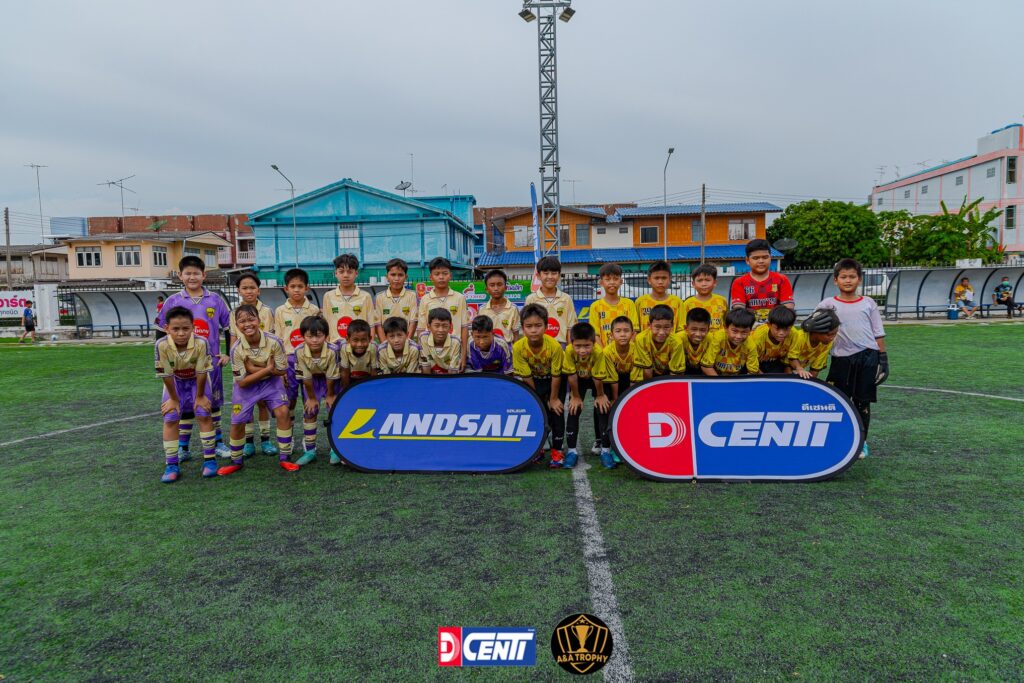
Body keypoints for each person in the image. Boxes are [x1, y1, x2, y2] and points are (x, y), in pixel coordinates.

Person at [156, 256, 232, 460]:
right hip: (180, 364)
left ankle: (218, 442)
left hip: (209, 363)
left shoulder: (215, 299)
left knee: (212, 403)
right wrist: (164, 356)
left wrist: (227, 353)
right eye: (187, 273)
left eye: (196, 273)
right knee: (185, 404)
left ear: (203, 275)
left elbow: (228, 327)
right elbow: (160, 330)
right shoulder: (173, 300)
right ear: (180, 276)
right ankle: (183, 447)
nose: (192, 277)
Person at [816, 258, 888, 458]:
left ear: (859, 279)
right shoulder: (827, 304)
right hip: (841, 359)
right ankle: (838, 440)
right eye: (843, 277)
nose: (848, 280)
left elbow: (878, 332)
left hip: (868, 357)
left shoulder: (868, 303)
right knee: (838, 400)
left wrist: (883, 359)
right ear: (835, 280)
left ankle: (861, 442)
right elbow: (816, 330)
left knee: (862, 402)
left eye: (852, 277)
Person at [218, 305, 298, 476]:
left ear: (259, 320)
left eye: (251, 319)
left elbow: (282, 371)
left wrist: (253, 368)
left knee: (283, 412)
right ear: (236, 325)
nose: (247, 324)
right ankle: (236, 461)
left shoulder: (274, 341)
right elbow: (242, 383)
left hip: (271, 383)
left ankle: (285, 457)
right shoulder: (236, 349)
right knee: (237, 421)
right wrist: (267, 369)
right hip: (247, 386)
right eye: (242, 321)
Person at [154, 306, 219, 483]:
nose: (181, 333)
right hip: (175, 382)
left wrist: (200, 396)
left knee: (203, 413)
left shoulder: (201, 342)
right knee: (170, 416)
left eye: (185, 328)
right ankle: (171, 465)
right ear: (167, 328)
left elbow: (202, 372)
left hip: (197, 381)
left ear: (193, 328)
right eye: (175, 329)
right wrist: (174, 399)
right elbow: (166, 375)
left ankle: (210, 460)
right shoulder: (161, 345)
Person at [513, 303, 566, 467]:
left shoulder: (554, 346)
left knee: (556, 413)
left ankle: (557, 451)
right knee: (537, 412)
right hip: (534, 382)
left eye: (538, 325)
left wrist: (553, 398)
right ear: (523, 328)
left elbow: (557, 375)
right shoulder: (518, 347)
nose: (534, 330)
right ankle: (539, 449)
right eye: (529, 326)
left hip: (555, 382)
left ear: (546, 326)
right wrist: (538, 399)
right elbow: (526, 376)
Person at [273, 268, 321, 446]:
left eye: (300, 286)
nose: (296, 290)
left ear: (307, 288)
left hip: (310, 361)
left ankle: (309, 442)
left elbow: (319, 336)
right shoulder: (280, 311)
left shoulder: (314, 310)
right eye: (292, 286)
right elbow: (278, 340)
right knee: (290, 401)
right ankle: (290, 438)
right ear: (286, 288)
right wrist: (281, 368)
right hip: (289, 360)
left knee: (310, 399)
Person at [230, 271, 276, 456]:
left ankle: (265, 440)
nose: (248, 291)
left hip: (264, 365)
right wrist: (238, 362)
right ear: (238, 291)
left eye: (252, 287)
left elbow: (271, 338)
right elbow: (233, 339)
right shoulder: (233, 312)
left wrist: (266, 366)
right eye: (244, 288)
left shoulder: (267, 311)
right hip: (243, 363)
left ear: (259, 290)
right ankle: (249, 442)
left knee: (263, 403)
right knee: (246, 403)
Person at [563, 322, 615, 469]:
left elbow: (598, 378)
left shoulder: (599, 352)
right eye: (578, 346)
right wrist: (576, 396)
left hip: (596, 380)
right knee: (574, 409)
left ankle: (605, 450)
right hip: (578, 380)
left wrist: (600, 395)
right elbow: (571, 376)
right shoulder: (568, 351)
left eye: (587, 346)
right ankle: (571, 451)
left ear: (593, 343)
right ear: (572, 343)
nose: (582, 350)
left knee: (602, 409)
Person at [294, 315, 341, 466]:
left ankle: (335, 450)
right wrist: (312, 397)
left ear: (326, 336)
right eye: (310, 336)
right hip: (312, 382)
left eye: (319, 336)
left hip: (330, 382)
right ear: (303, 336)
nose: (314, 340)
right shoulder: (299, 351)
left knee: (333, 411)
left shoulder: (333, 350)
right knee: (310, 411)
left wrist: (330, 395)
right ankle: (310, 451)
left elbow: (332, 376)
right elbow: (306, 377)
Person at [417, 257, 469, 369]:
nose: (441, 277)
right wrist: (422, 356)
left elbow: (464, 327)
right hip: (431, 352)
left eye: (445, 273)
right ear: (431, 277)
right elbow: (421, 330)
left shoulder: (460, 298)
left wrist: (463, 356)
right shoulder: (425, 299)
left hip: (454, 350)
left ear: (450, 275)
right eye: (437, 274)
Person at [730, 239, 794, 324]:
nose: (761, 261)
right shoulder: (739, 282)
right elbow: (739, 311)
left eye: (765, 257)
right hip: (750, 328)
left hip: (776, 327)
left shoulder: (782, 279)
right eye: (755, 258)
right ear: (747, 260)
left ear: (770, 258)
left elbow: (788, 308)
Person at [322, 253, 377, 342]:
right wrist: (327, 346)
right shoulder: (328, 296)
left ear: (356, 273)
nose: (345, 275)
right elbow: (325, 325)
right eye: (341, 271)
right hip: (335, 345)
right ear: (336, 273)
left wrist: (370, 345)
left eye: (350, 272)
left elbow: (371, 325)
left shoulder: (365, 296)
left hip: (358, 346)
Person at [525, 255, 577, 346]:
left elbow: (570, 328)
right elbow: (527, 327)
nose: (550, 276)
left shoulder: (566, 299)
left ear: (559, 276)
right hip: (538, 346)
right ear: (538, 276)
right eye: (546, 273)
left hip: (560, 345)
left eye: (554, 273)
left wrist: (570, 349)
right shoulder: (531, 299)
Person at [589, 262, 638, 346]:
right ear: (601, 282)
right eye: (607, 279)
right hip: (604, 352)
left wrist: (625, 349)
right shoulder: (595, 306)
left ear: (621, 281)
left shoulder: (629, 304)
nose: (612, 282)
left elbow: (635, 331)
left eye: (615, 279)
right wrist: (604, 352)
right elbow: (595, 335)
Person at [701, 308, 759, 376]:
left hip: (737, 377)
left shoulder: (751, 345)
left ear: (750, 331)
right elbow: (706, 366)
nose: (738, 336)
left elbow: (753, 372)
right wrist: (719, 381)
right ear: (725, 328)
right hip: (716, 375)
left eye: (744, 332)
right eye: (735, 331)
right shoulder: (718, 338)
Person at [374, 258, 419, 342]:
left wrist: (406, 342)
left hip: (406, 342)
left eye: (400, 275)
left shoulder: (412, 295)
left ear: (406, 277)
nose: (396, 278)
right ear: (387, 277)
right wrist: (384, 344)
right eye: (393, 275)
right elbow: (378, 324)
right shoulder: (379, 297)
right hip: (386, 342)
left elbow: (413, 322)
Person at [788, 309, 840, 379]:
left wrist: (810, 382)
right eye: (828, 335)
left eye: (834, 334)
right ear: (816, 330)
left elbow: (815, 369)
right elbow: (790, 360)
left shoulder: (827, 344)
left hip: (796, 369)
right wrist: (799, 368)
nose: (832, 338)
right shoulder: (800, 337)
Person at [636, 260, 684, 332]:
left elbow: (681, 329)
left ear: (670, 279)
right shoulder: (640, 302)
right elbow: (636, 329)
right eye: (656, 278)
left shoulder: (677, 302)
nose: (660, 282)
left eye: (664, 278)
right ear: (649, 280)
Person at [748, 305, 799, 374]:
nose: (781, 333)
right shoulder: (757, 337)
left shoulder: (794, 334)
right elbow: (751, 361)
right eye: (777, 328)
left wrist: (799, 368)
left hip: (777, 362)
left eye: (786, 329)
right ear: (769, 325)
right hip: (755, 362)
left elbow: (792, 356)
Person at [634, 304, 680, 379]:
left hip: (668, 376)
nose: (661, 332)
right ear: (649, 325)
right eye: (657, 327)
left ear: (672, 326)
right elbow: (647, 371)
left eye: (666, 327)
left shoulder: (677, 342)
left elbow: (675, 373)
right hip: (649, 377)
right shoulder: (641, 339)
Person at [476, 269, 522, 341]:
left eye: (499, 285)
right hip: (488, 347)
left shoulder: (513, 309)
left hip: (507, 347)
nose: (496, 288)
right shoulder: (482, 309)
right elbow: (480, 333)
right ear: (487, 289)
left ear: (505, 288)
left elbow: (516, 335)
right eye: (492, 285)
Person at [681, 263, 729, 330]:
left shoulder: (722, 301)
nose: (704, 284)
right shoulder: (688, 303)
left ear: (715, 282)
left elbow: (727, 323)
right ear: (693, 284)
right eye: (700, 280)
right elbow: (683, 326)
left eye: (707, 280)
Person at [669, 308, 712, 376]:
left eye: (702, 330)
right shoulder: (678, 339)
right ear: (686, 328)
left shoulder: (711, 339)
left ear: (708, 330)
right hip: (681, 372)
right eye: (694, 329)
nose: (698, 334)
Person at [419, 308, 462, 374]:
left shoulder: (456, 342)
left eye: (445, 326)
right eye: (437, 326)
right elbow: (425, 366)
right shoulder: (423, 338)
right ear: (429, 326)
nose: (441, 330)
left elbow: (452, 371)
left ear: (450, 327)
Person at [339, 319, 377, 389]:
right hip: (351, 378)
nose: (359, 344)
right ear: (347, 339)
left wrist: (373, 389)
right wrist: (346, 390)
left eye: (363, 340)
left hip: (367, 378)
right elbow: (345, 373)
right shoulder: (344, 349)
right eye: (355, 340)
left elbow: (373, 371)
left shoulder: (373, 348)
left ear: (370, 339)